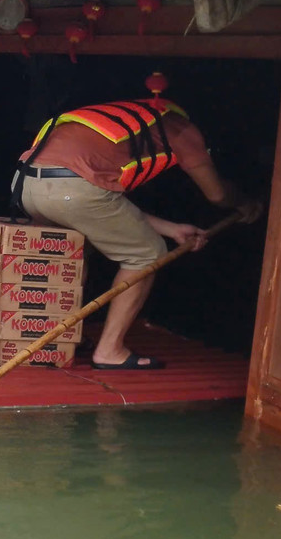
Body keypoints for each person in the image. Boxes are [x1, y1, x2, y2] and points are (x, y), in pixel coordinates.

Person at [14, 84, 261, 370]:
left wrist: (171, 229)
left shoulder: (118, 120)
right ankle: (109, 351)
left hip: (26, 186)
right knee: (146, 255)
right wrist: (243, 202)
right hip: (72, 190)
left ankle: (61, 339)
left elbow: (108, 208)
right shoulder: (180, 129)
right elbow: (217, 194)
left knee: (74, 254)